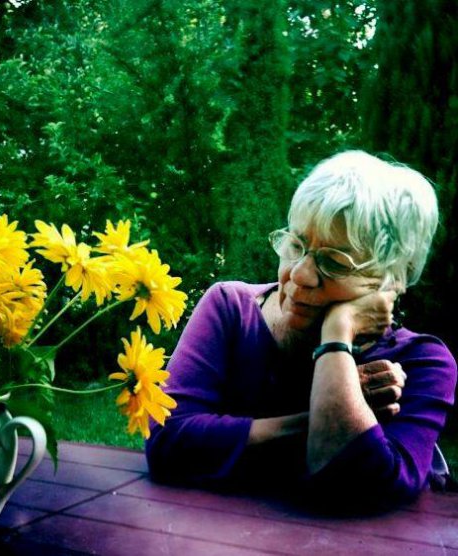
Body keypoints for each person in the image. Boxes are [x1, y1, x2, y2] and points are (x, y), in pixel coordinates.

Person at [145, 150, 457, 512]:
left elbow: (365, 484)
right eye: (296, 245)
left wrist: (337, 335)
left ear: (392, 280)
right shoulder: (231, 309)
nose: (299, 274)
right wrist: (319, 418)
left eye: (334, 263)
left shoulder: (423, 362)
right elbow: (168, 441)